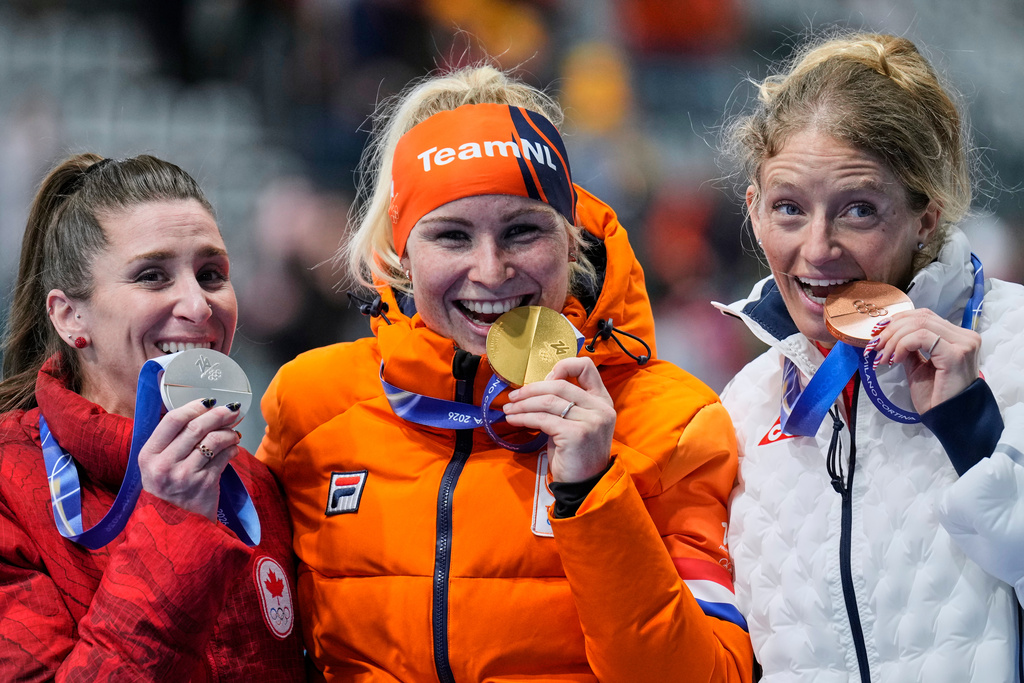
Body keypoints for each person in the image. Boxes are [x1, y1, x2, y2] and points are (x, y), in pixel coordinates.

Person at [257, 65, 754, 681]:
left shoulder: (673, 421)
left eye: (522, 231)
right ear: (402, 252)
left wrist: (594, 492)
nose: (490, 271)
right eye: (452, 236)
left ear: (572, 241)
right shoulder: (311, 404)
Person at [716, 32, 1024, 682]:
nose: (818, 248)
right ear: (753, 208)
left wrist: (973, 433)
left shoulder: (1016, 340)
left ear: (925, 218)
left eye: (859, 210)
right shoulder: (743, 405)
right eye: (789, 209)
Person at [0, 153, 306, 680]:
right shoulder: (9, 485)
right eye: (152, 276)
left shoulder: (254, 483)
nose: (198, 304)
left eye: (211, 274)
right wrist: (174, 521)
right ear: (70, 315)